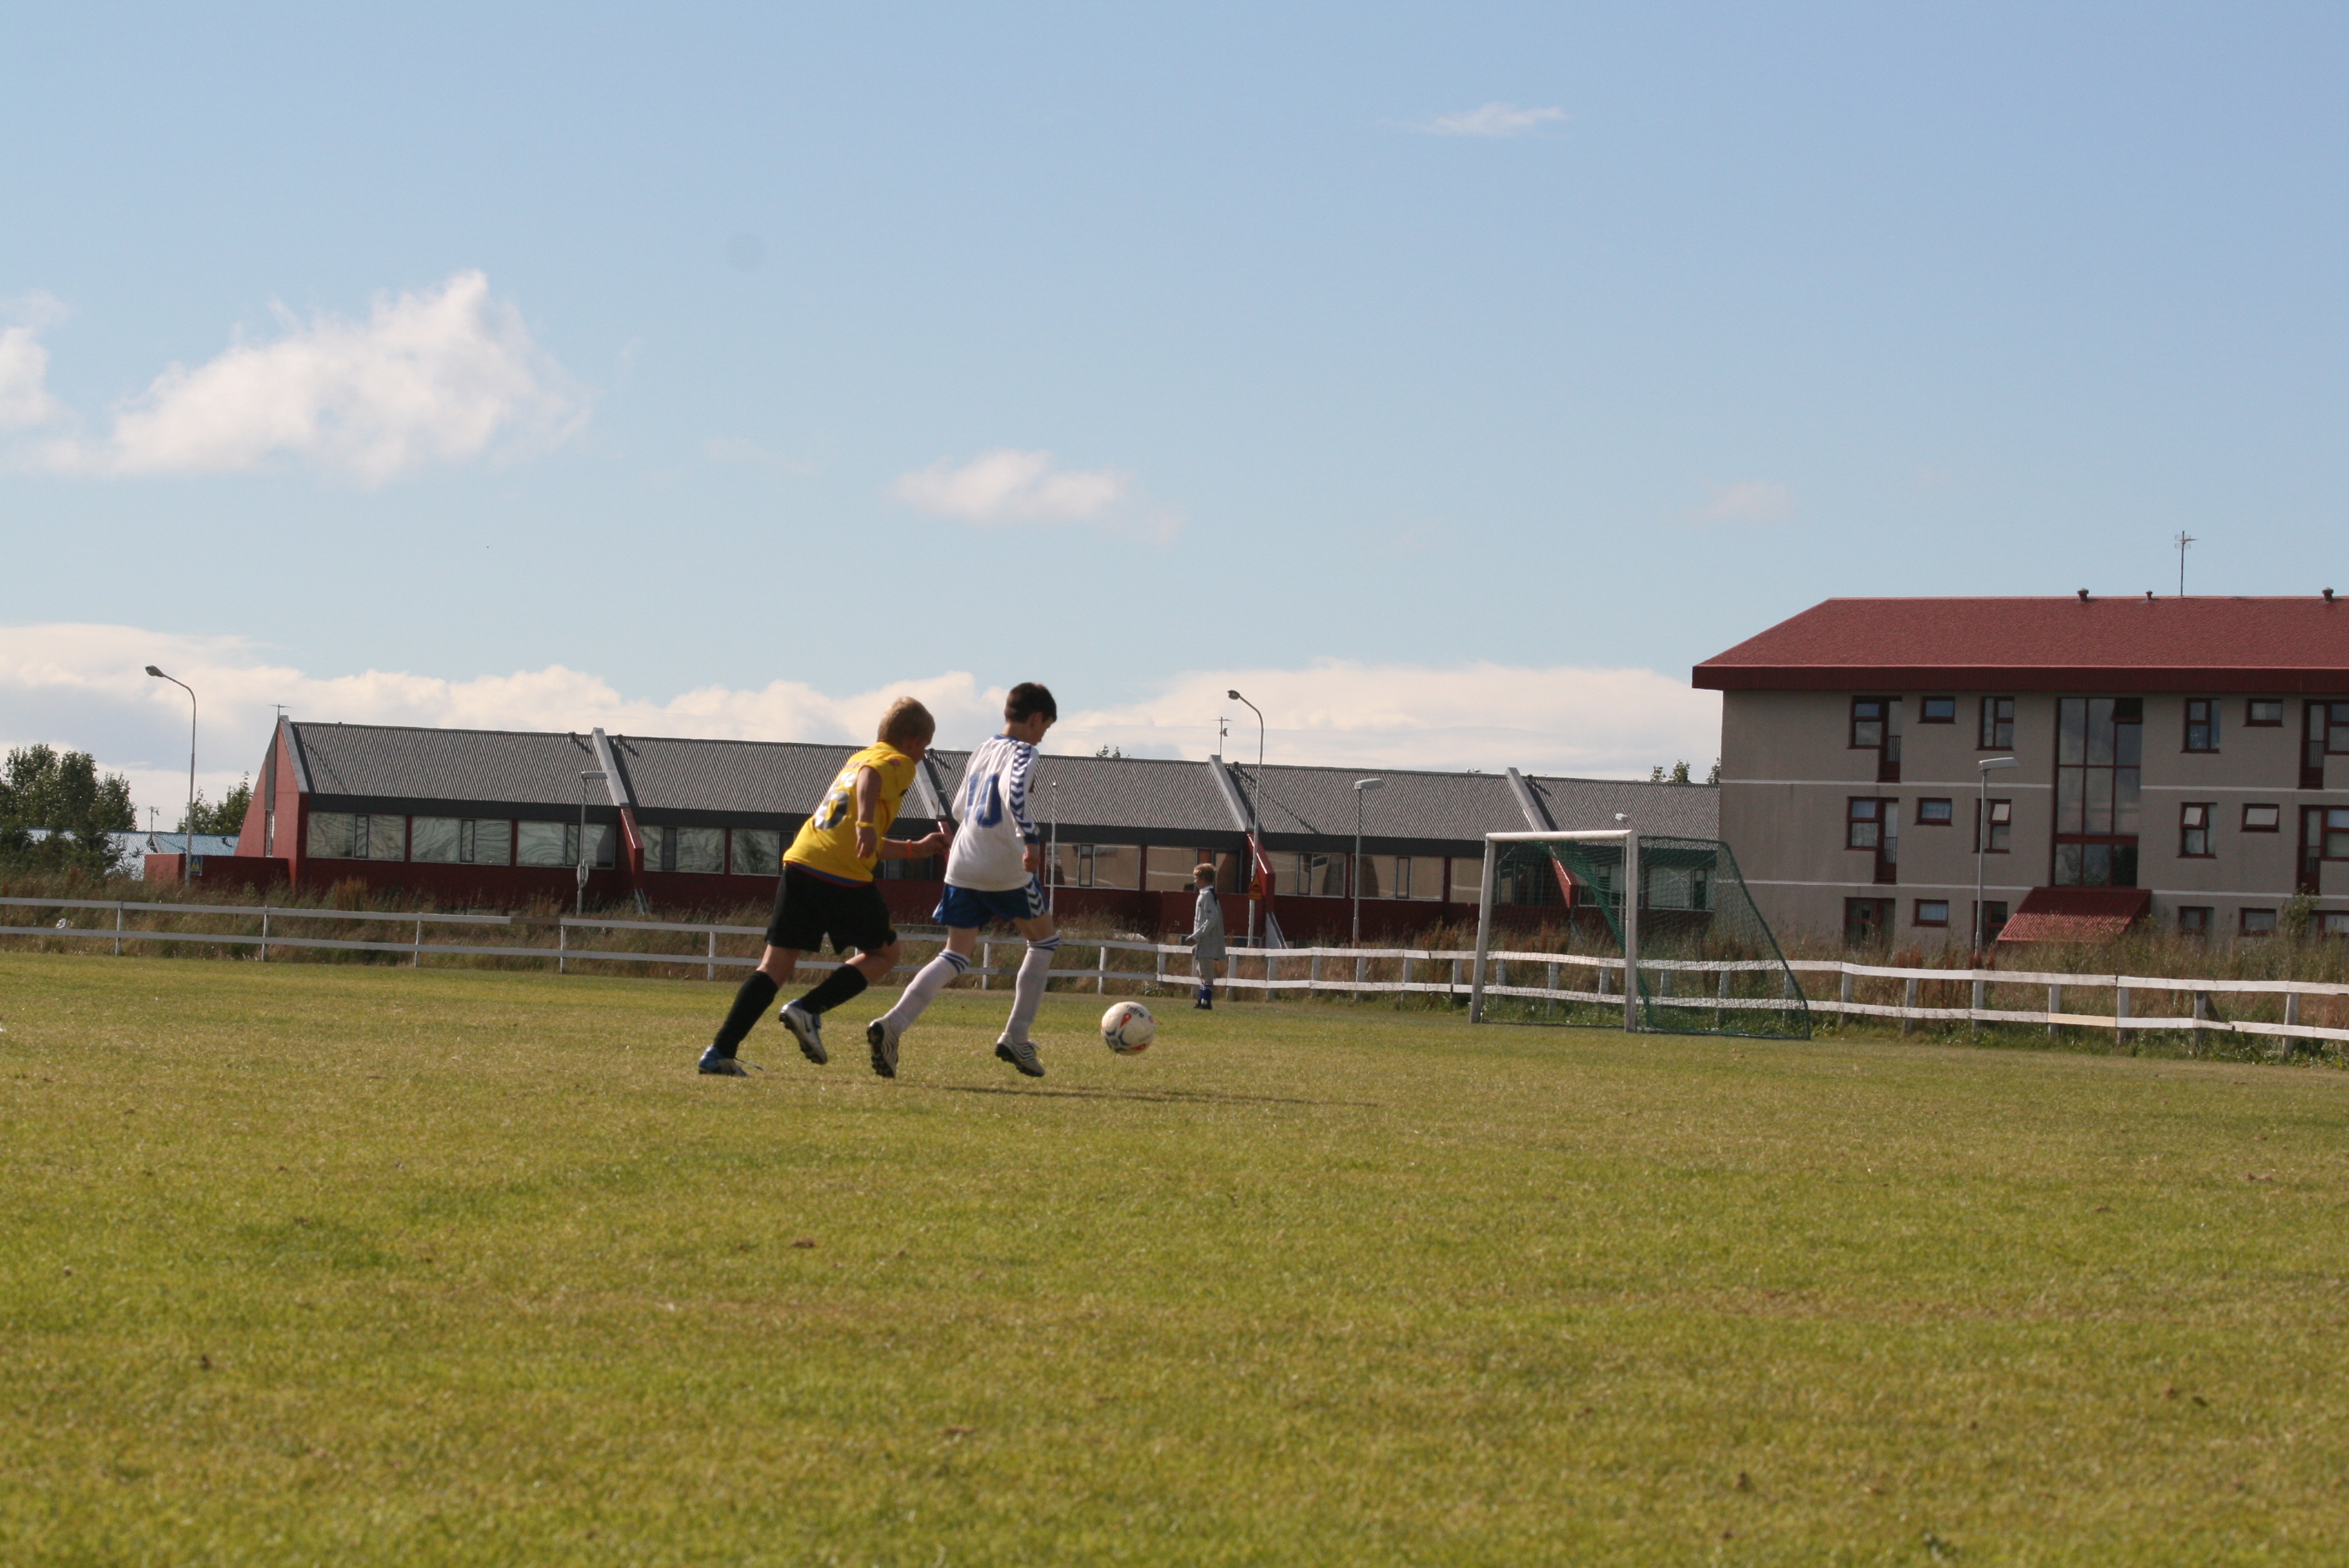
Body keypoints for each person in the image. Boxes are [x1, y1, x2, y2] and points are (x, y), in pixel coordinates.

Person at [696, 697, 948, 1075]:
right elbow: (872, 783)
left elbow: (863, 840)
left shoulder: (857, 759)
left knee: (775, 966)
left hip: (802, 859)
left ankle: (719, 1052)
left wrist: (915, 849)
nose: (923, 756)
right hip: (840, 873)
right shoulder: (897, 762)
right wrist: (866, 824)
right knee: (885, 954)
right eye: (924, 747)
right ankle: (808, 1009)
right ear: (912, 741)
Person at [864, 682, 1061, 1080]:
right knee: (1044, 941)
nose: (1042, 736)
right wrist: (1031, 840)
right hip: (1003, 865)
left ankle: (893, 1024)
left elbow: (958, 808)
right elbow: (1014, 795)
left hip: (962, 863)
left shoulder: (983, 749)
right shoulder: (1025, 752)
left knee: (955, 953)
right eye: (1045, 727)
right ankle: (1016, 1035)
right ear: (1036, 718)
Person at [1185, 861, 1225, 1008]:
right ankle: (1202, 1000)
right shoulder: (1205, 895)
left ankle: (1206, 1001)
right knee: (1201, 970)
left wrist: (1197, 935)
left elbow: (1211, 919)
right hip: (1203, 940)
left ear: (1203, 878)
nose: (1195, 881)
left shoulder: (1207, 895)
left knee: (1206, 971)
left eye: (1197, 878)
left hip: (1207, 940)